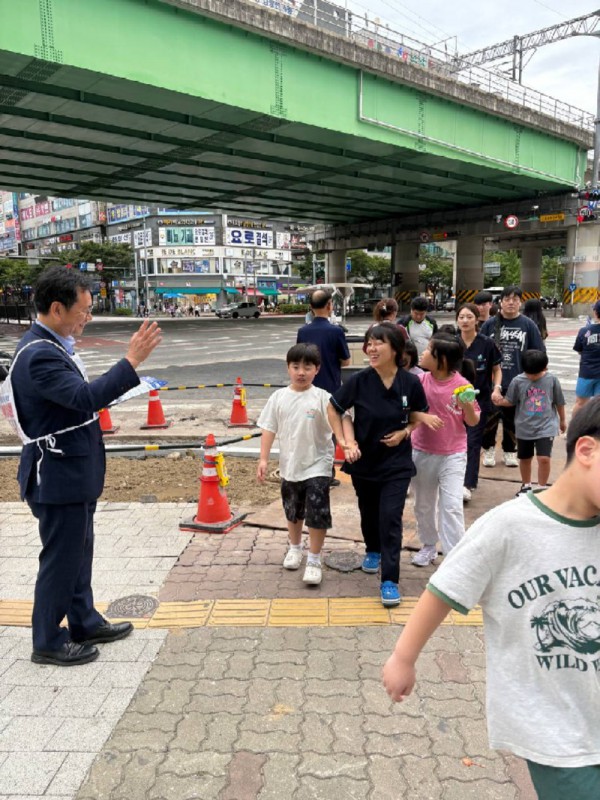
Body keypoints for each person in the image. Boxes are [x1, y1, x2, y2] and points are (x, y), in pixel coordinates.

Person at [382, 397, 600, 800]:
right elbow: (444, 588)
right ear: (586, 450)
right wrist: (403, 657)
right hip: (556, 731)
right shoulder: (509, 527)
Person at [7, 266, 162, 667]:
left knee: (79, 551)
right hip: (56, 475)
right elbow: (85, 398)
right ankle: (47, 640)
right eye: (84, 310)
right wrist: (131, 361)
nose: (87, 318)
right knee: (61, 558)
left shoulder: (51, 345)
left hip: (72, 471)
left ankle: (84, 621)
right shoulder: (39, 354)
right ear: (57, 309)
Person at [327, 325, 428, 607]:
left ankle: (390, 580)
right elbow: (333, 407)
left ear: (395, 348)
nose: (371, 348)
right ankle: (372, 549)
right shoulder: (360, 380)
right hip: (364, 461)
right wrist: (345, 442)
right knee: (369, 511)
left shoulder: (411, 383)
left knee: (390, 518)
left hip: (397, 464)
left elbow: (419, 415)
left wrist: (405, 432)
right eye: (369, 343)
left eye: (378, 343)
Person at [257, 344, 333, 586]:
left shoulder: (323, 397)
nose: (301, 372)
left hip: (319, 464)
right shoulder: (278, 397)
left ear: (317, 369)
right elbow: (269, 428)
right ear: (288, 368)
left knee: (317, 511)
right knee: (293, 509)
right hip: (290, 465)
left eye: (307, 367)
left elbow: (340, 424)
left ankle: (314, 558)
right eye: (296, 367)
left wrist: (348, 443)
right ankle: (295, 547)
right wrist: (263, 458)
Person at [410, 334, 480, 567]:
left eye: (429, 349)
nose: (423, 352)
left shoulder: (462, 385)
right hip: (422, 451)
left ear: (442, 360)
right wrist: (423, 417)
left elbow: (472, 421)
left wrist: (467, 405)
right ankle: (429, 545)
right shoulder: (420, 382)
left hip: (453, 454)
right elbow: (406, 410)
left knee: (451, 505)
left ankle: (454, 555)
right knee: (423, 503)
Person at [480, 286, 545, 468]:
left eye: (515, 299)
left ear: (520, 302)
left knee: (513, 420)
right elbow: (480, 349)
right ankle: (489, 449)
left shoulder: (528, 325)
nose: (511, 302)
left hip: (518, 381)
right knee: (490, 419)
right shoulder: (490, 324)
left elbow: (538, 352)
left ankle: (510, 451)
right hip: (492, 382)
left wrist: (536, 377)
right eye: (507, 299)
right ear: (500, 302)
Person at [297, 289, 351, 487]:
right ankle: (327, 474)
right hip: (331, 389)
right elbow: (346, 361)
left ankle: (308, 471)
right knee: (329, 433)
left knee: (309, 429)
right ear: (330, 305)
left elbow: (298, 358)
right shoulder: (336, 331)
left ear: (311, 307)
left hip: (307, 388)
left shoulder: (303, 331)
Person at [495, 349, 566, 495]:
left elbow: (559, 401)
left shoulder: (552, 380)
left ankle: (541, 487)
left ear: (545, 368)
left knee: (544, 458)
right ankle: (526, 485)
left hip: (546, 426)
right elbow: (511, 401)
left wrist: (562, 420)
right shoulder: (518, 381)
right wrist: (499, 401)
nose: (532, 377)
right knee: (525, 458)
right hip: (524, 427)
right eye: (529, 374)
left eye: (536, 374)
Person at [456, 303, 502, 502]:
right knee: (455, 441)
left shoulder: (487, 343)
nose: (465, 321)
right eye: (461, 317)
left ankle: (468, 483)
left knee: (472, 441)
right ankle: (453, 480)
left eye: (469, 317)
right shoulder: (452, 344)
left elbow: (497, 369)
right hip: (453, 401)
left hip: (479, 400)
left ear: (476, 320)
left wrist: (497, 388)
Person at [572, 300, 600, 415]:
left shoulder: (584, 331)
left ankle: (574, 429)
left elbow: (579, 349)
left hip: (586, 373)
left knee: (580, 403)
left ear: (595, 312)